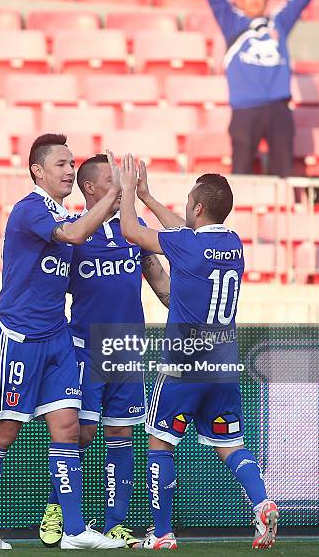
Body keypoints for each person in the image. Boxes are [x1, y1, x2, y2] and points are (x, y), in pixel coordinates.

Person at [0, 135, 125, 550]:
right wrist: (114, 196)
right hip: (19, 337)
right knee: (4, 431)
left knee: (69, 427)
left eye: (72, 163)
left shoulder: (67, 214)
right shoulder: (30, 209)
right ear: (37, 170)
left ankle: (73, 531)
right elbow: (72, 236)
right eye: (61, 163)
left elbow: (76, 269)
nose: (70, 170)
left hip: (57, 339)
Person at [119, 157, 279, 550]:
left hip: (183, 362)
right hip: (223, 364)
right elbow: (181, 229)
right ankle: (261, 503)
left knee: (161, 443)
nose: (185, 207)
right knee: (231, 444)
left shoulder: (186, 243)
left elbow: (130, 230)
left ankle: (161, 534)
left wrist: (127, 191)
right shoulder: (233, 244)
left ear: (199, 207)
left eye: (189, 201)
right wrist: (149, 197)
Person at [40, 154, 170, 548]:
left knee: (120, 431)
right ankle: (57, 509)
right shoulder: (75, 235)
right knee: (80, 432)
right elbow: (47, 290)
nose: (122, 186)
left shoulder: (135, 229)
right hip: (84, 348)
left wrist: (188, 310)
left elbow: (158, 278)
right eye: (113, 181)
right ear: (92, 189)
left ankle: (115, 522)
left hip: (128, 348)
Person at [198, 0, 319, 177]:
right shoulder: (232, 22)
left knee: (283, 173)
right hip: (245, 110)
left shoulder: (280, 23)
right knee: (241, 172)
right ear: (239, 0)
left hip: (279, 108)